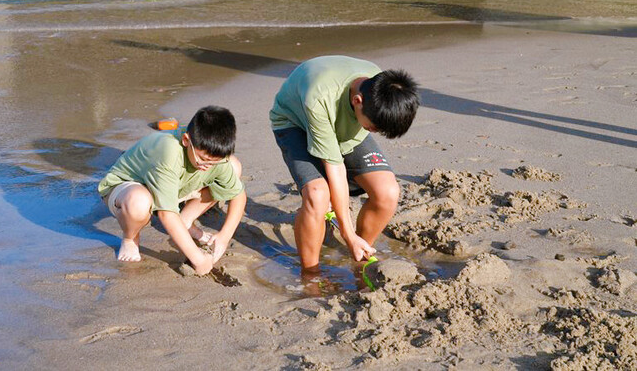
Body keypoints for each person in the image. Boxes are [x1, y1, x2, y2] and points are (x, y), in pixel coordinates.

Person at [270, 55, 419, 273]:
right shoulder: (319, 97)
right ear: (358, 101)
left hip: (346, 127)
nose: (375, 133)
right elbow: (335, 169)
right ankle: (310, 273)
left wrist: (354, 239)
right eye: (375, 128)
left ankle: (360, 252)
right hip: (295, 123)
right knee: (318, 194)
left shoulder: (378, 85)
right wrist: (347, 234)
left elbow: (366, 126)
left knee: (387, 192)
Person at [98, 105, 246, 276]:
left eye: (214, 162)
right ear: (186, 140)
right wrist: (198, 259)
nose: (208, 166)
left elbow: (239, 196)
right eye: (204, 159)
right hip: (128, 188)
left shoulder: (214, 158)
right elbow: (166, 215)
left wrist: (224, 236)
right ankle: (130, 238)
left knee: (233, 167)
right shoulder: (168, 150)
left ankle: (185, 221)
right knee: (139, 201)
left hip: (173, 187)